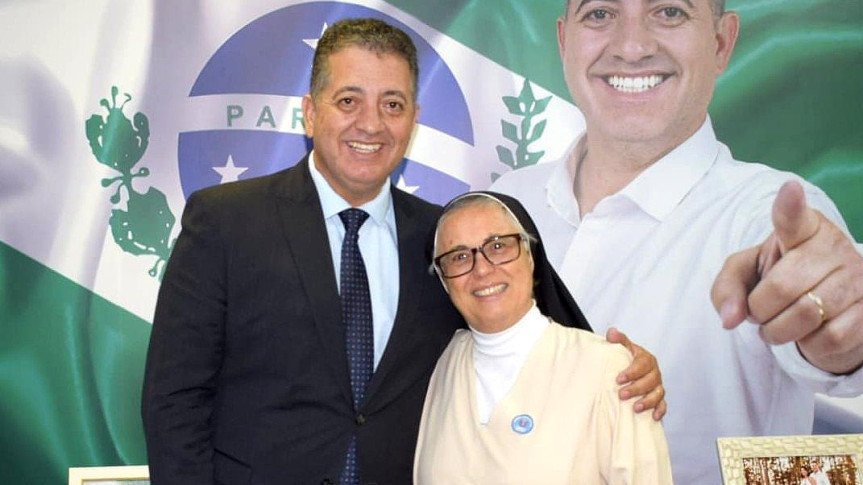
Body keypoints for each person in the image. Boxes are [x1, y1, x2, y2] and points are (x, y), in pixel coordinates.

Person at [141, 18, 664, 484]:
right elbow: (175, 398)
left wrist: (625, 371)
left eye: (392, 105)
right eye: (348, 101)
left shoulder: (446, 242)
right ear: (310, 113)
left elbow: (535, 328)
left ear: (413, 119)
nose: (371, 124)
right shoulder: (226, 221)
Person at [489, 0, 863, 483]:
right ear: (564, 42)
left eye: (669, 12)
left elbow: (837, 323)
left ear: (721, 42)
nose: (631, 47)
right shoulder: (503, 201)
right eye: (600, 14)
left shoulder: (768, 215)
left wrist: (840, 329)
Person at [413, 192, 672, 483]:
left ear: (530, 255)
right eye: (459, 257)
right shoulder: (441, 363)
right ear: (443, 279)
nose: (482, 269)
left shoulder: (607, 369)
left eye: (498, 246)